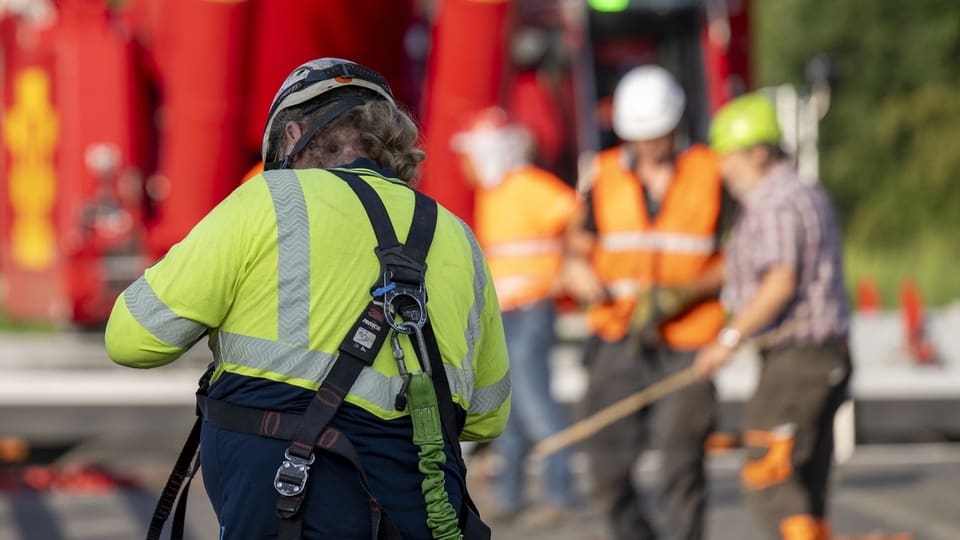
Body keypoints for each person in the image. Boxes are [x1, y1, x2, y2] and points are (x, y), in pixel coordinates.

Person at [104, 58, 510, 540]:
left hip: (286, 509)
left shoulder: (269, 199)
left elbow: (132, 340)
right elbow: (487, 415)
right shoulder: (457, 235)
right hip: (420, 514)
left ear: (292, 134)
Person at [563, 65, 729, 540]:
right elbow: (578, 240)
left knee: (681, 466)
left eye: (657, 136)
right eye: (639, 137)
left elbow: (737, 258)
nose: (648, 146)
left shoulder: (711, 175)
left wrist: (684, 293)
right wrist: (576, 267)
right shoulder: (606, 176)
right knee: (607, 470)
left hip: (688, 340)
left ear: (675, 127)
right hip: (617, 337)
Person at [696, 93, 851, 540]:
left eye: (730, 158)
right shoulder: (804, 191)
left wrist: (728, 339)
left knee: (769, 475)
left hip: (798, 359)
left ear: (759, 152)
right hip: (825, 357)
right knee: (804, 480)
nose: (723, 169)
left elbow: (780, 282)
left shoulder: (774, 200)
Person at [451, 107, 579, 522]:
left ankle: (559, 494)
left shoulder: (527, 186)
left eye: (471, 154)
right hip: (507, 312)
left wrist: (567, 267)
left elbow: (574, 216)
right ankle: (511, 494)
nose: (465, 164)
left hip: (531, 308)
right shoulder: (496, 192)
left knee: (535, 403)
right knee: (508, 405)